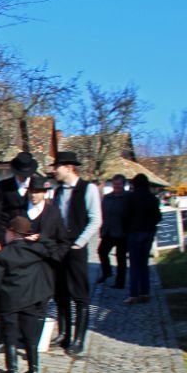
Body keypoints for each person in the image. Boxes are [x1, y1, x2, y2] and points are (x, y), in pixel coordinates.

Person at [0, 216, 59, 373]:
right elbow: (57, 251)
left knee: (10, 335)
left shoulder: (3, 255)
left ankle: (12, 372)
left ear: (11, 232)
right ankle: (33, 371)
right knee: (30, 337)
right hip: (32, 299)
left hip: (9, 300)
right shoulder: (38, 251)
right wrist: (41, 238)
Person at [50, 151, 102, 357]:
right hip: (59, 247)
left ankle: (79, 338)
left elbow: (96, 219)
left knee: (79, 294)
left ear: (69, 167)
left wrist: (80, 243)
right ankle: (64, 333)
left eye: (57, 167)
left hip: (76, 248)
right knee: (60, 292)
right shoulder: (58, 192)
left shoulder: (87, 189)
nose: (54, 170)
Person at [124, 173, 162, 304]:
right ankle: (145, 293)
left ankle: (134, 294)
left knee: (134, 265)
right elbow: (158, 217)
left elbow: (125, 216)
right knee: (144, 264)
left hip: (134, 233)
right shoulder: (152, 198)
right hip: (148, 233)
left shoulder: (131, 198)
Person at [0, 152, 39, 249]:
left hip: (30, 238)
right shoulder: (3, 186)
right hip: (7, 236)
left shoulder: (37, 185)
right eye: (21, 174)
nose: (23, 177)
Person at [99, 174, 130, 288]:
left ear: (123, 184)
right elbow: (102, 213)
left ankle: (120, 282)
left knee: (120, 258)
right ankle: (107, 273)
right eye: (115, 184)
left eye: (119, 184)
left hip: (122, 232)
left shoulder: (128, 197)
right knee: (102, 251)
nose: (116, 186)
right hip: (108, 231)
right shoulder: (107, 197)